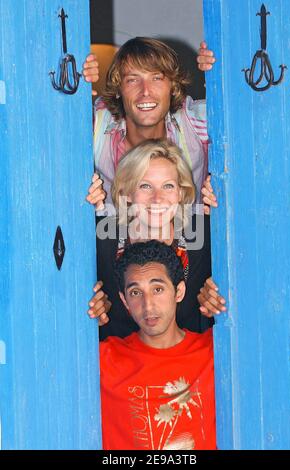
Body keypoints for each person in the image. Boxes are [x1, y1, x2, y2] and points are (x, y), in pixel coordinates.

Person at [83, 38, 226, 319]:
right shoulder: (98, 125)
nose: (145, 92)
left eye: (157, 78)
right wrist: (77, 81)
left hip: (190, 247)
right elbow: (48, 116)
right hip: (117, 249)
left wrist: (221, 71)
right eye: (132, 80)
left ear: (172, 86)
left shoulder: (192, 122)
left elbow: (249, 114)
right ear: (119, 89)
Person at [91, 139, 220, 340]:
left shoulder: (203, 236)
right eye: (145, 186)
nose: (157, 198)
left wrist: (213, 306)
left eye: (168, 186)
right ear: (126, 193)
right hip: (120, 364)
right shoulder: (102, 240)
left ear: (181, 192)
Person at [100, 239, 216, 450]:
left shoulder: (215, 352)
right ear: (124, 301)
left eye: (158, 289)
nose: (148, 305)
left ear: (178, 292)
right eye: (135, 293)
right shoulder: (103, 359)